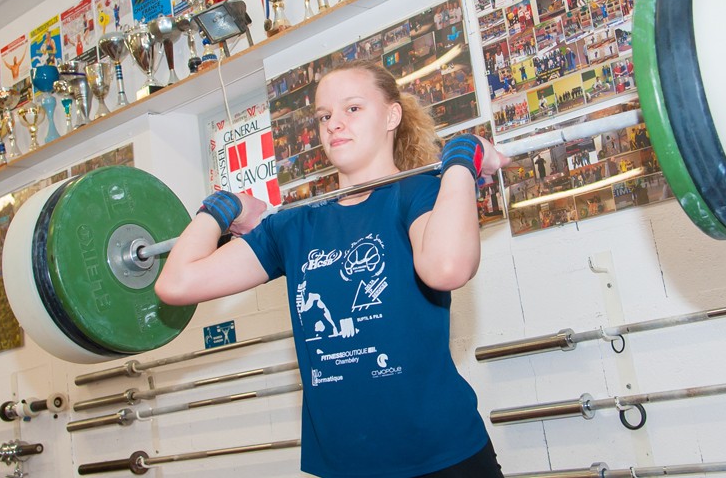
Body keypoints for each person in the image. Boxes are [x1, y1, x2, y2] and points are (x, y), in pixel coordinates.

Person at [157, 61, 507, 478]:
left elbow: (447, 268)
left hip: (444, 456)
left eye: (352, 109)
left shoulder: (417, 193)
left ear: (391, 115)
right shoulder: (294, 225)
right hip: (344, 464)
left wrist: (461, 160)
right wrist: (222, 206)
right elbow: (177, 283)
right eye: (324, 116)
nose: (334, 124)